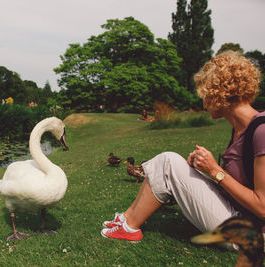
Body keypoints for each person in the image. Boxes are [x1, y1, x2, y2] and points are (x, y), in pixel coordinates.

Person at [101, 51, 265, 245]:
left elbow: (262, 206)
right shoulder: (241, 129)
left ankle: (128, 227)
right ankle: (127, 221)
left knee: (169, 162)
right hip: (238, 217)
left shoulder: (261, 131)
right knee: (168, 162)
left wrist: (215, 171)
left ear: (218, 93)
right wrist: (202, 170)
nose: (203, 103)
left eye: (205, 94)